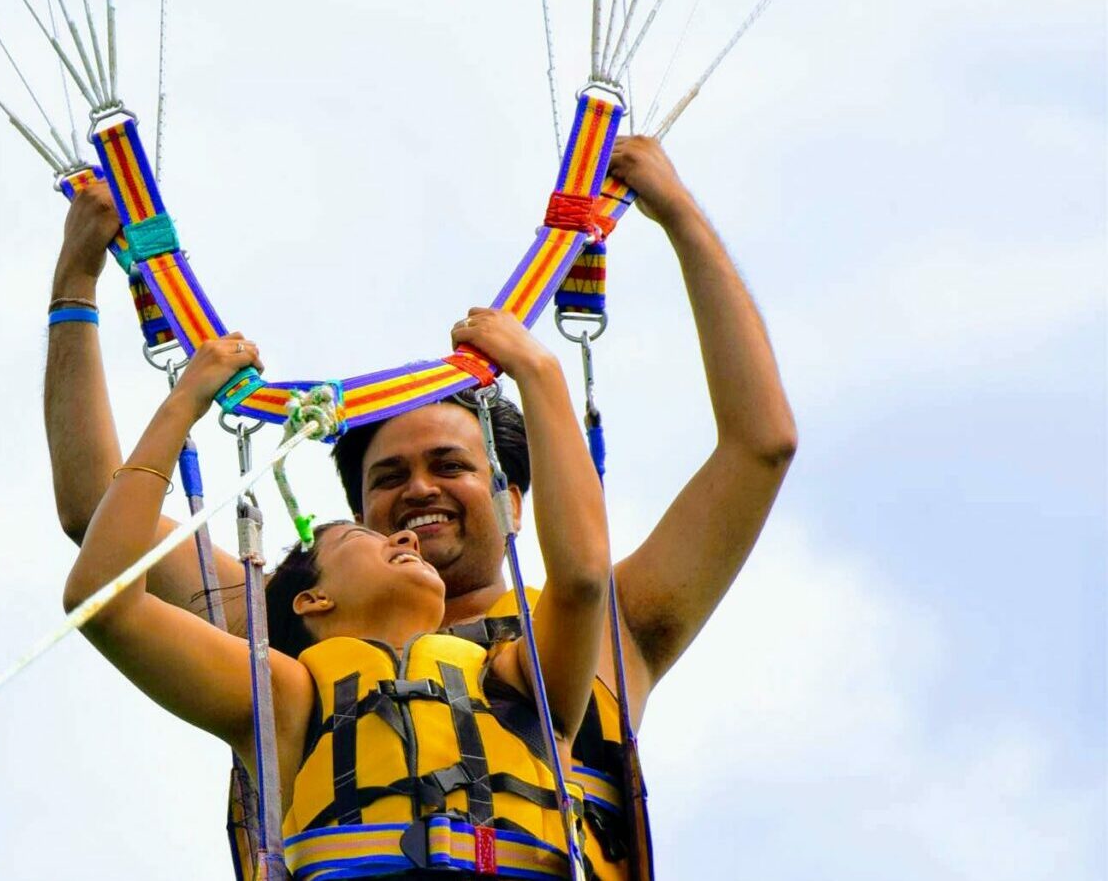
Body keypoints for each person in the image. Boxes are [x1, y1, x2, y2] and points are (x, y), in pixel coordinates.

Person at [44, 136, 797, 878]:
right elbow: (98, 517)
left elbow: (760, 446)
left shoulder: (607, 630)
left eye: (450, 465)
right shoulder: (283, 630)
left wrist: (680, 216)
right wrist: (75, 289)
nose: (419, 490)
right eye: (388, 478)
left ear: (513, 500)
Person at [62, 320, 611, 880]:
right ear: (311, 599)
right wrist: (181, 407)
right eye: (363, 537)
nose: (405, 537)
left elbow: (584, 579)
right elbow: (104, 602)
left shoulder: (515, 674)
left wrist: (540, 374)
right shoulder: (286, 696)